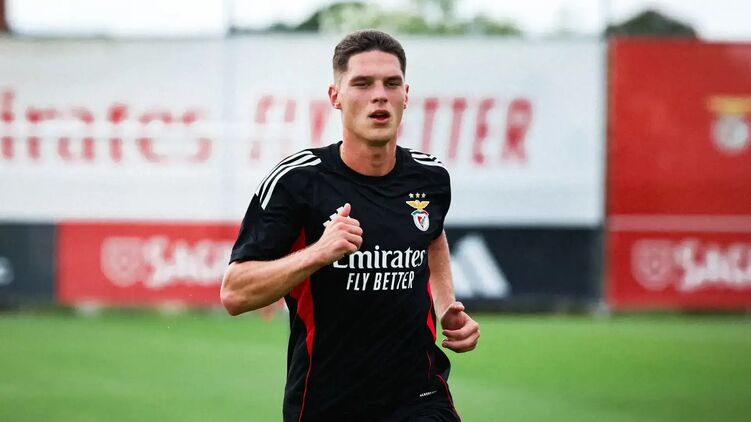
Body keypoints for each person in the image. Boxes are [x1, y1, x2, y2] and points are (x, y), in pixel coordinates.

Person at [221, 29, 480, 422]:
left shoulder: (431, 178)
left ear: (406, 95)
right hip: (327, 404)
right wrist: (318, 253)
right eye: (362, 83)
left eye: (391, 83)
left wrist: (446, 307)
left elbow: (432, 235)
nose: (380, 95)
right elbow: (234, 292)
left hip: (420, 397)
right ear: (335, 96)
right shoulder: (297, 181)